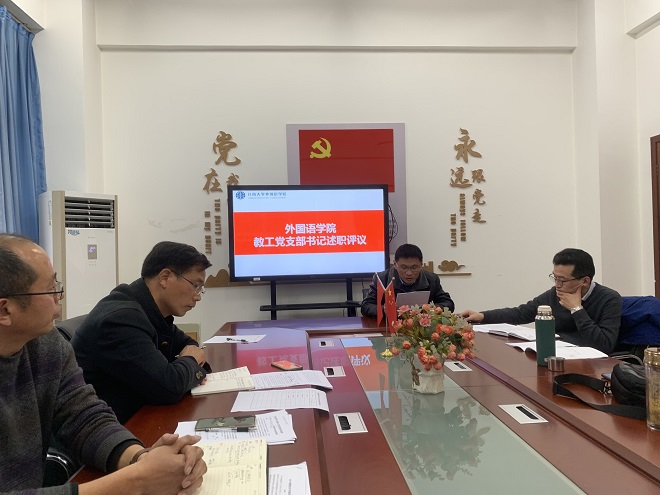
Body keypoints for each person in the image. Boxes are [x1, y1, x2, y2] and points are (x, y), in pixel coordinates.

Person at [0, 234, 206, 494]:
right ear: (5, 310)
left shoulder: (46, 344)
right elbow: (168, 384)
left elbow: (83, 417)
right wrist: (136, 480)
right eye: (51, 289)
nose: (59, 298)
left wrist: (141, 458)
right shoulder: (120, 316)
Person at [72, 241, 212, 424]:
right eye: (195, 285)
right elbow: (168, 388)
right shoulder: (121, 320)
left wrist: (187, 366)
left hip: (136, 417)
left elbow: (188, 345)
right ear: (165, 277)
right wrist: (191, 362)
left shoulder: (150, 310)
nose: (198, 296)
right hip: (106, 430)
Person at [460, 248, 622, 354]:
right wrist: (483, 316)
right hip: (556, 356)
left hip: (589, 364)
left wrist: (577, 309)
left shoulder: (609, 299)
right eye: (555, 277)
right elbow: (521, 313)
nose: (557, 285)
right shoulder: (555, 294)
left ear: (585, 281)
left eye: (562, 280)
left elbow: (604, 345)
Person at [361, 243, 455, 318]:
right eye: (404, 267)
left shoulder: (431, 279)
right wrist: (383, 310)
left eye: (414, 267)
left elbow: (448, 304)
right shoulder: (381, 279)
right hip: (390, 326)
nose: (409, 273)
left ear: (421, 265)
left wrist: (430, 309)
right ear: (395, 264)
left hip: (421, 326)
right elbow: (366, 306)